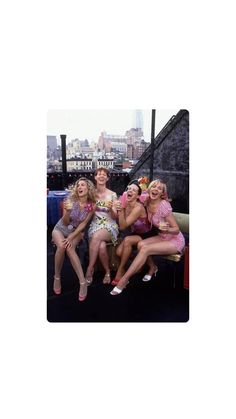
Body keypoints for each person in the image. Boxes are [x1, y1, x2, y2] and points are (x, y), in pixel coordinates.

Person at [110, 179, 185, 295]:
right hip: (161, 236)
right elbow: (129, 193)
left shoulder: (164, 206)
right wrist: (116, 204)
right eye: (153, 186)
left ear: (162, 193)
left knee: (145, 248)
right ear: (149, 189)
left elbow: (176, 230)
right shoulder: (146, 199)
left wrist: (167, 229)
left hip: (174, 239)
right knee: (140, 245)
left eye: (159, 188)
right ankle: (152, 268)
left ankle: (124, 280)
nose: (156, 189)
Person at [52, 177, 96, 301]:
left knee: (70, 248)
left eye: (82, 185)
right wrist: (67, 211)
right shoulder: (69, 200)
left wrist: (72, 236)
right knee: (61, 246)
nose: (79, 187)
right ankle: (57, 277)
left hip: (75, 231)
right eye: (78, 185)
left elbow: (83, 224)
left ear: (88, 189)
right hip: (60, 228)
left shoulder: (92, 205)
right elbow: (65, 222)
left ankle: (82, 282)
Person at [111, 179, 157, 285]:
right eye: (128, 189)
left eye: (133, 190)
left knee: (127, 240)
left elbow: (122, 226)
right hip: (136, 233)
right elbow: (115, 217)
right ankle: (142, 261)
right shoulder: (125, 202)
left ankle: (120, 271)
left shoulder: (138, 207)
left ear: (137, 196)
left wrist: (120, 210)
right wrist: (112, 208)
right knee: (119, 252)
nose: (129, 191)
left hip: (147, 234)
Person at [85, 167, 119, 285]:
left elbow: (115, 217)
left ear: (107, 178)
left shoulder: (113, 195)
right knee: (101, 246)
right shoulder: (91, 194)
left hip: (110, 226)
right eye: (99, 174)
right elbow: (86, 210)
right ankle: (107, 271)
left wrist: (111, 209)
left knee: (96, 238)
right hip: (95, 225)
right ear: (95, 177)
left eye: (104, 174)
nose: (101, 176)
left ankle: (90, 269)